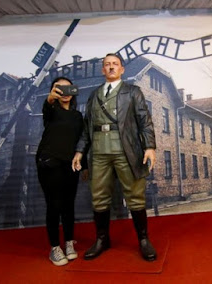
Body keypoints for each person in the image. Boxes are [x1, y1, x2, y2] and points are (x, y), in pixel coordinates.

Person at [72, 53, 157, 261]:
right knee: (99, 196)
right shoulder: (94, 95)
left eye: (115, 64)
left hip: (125, 149)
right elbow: (86, 127)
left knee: (135, 195)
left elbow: (144, 120)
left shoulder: (133, 92)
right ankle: (102, 239)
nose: (111, 67)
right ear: (102, 70)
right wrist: (80, 151)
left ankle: (144, 240)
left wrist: (150, 146)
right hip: (99, 151)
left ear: (122, 69)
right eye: (107, 65)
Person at [36, 77, 87, 266]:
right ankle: (55, 248)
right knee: (54, 204)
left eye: (68, 88)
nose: (64, 92)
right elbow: (46, 108)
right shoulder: (51, 110)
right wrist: (49, 99)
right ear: (54, 92)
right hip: (49, 161)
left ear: (73, 91)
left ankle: (68, 242)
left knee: (68, 205)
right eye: (59, 89)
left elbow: (82, 141)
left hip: (70, 164)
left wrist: (85, 166)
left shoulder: (77, 116)